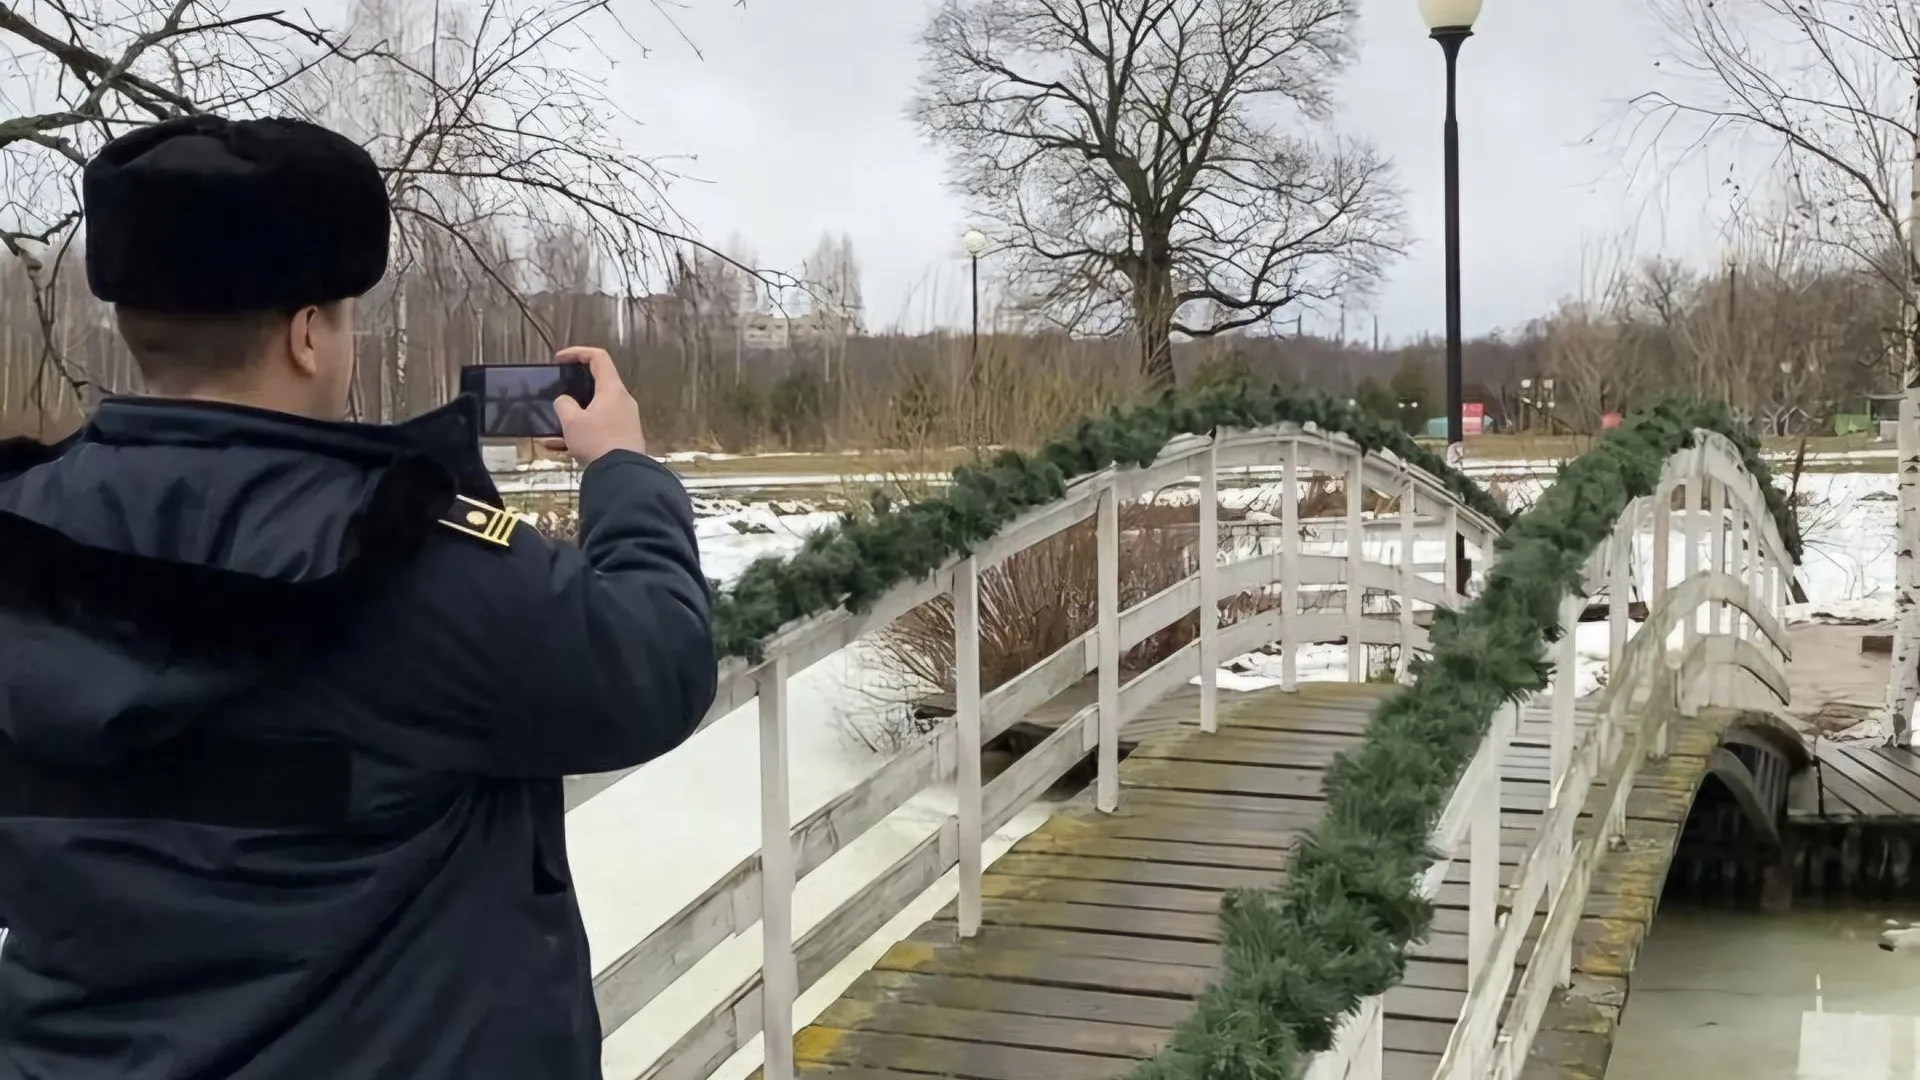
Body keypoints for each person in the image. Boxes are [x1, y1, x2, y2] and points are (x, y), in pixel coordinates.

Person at [0, 116, 717, 1078]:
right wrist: (624, 469)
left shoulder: (19, 536)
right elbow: (654, 665)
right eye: (340, 315)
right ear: (307, 335)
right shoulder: (416, 563)